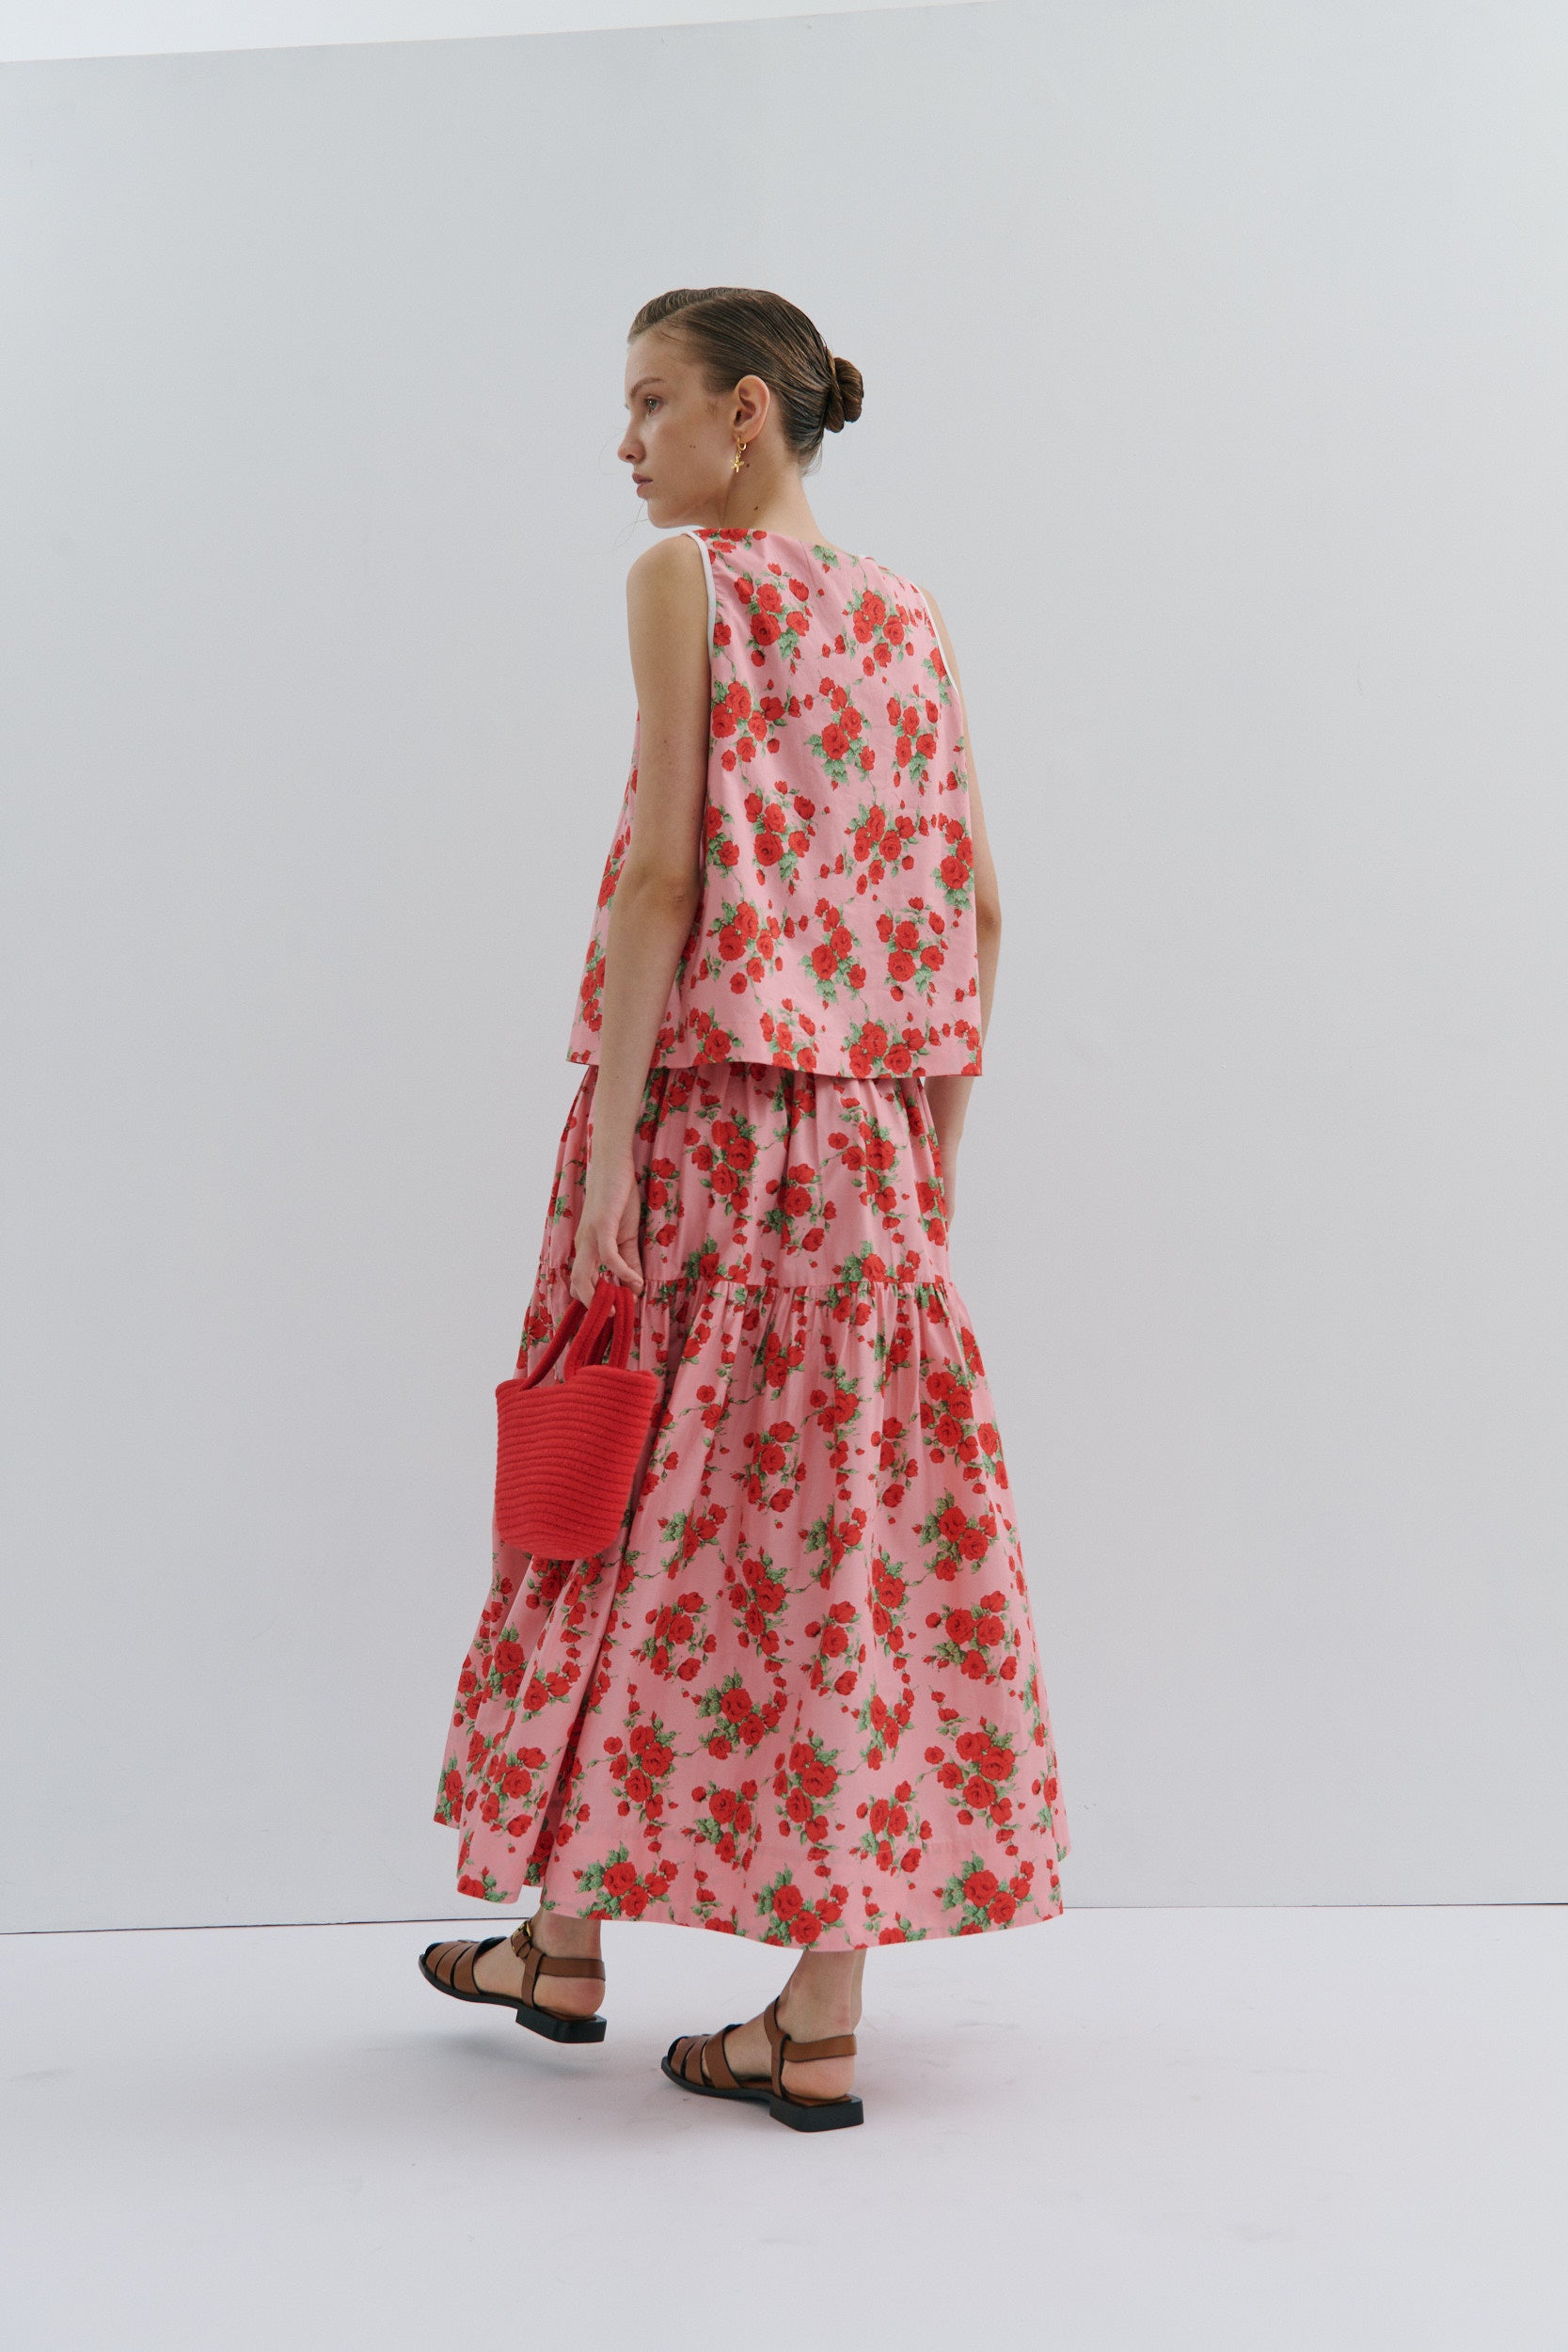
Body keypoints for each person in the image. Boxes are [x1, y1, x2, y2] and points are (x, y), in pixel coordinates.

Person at [420, 285, 1069, 2132]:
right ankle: (814, 2008)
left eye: (652, 403)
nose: (626, 441)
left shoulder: (693, 584)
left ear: (754, 418)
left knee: (609, 1500)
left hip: (706, 1122)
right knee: (838, 1542)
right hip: (866, 1145)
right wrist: (930, 1143)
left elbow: (664, 879)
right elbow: (982, 903)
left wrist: (617, 1139)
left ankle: (561, 1931)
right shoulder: (910, 613)